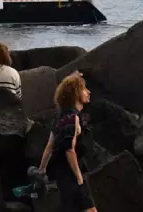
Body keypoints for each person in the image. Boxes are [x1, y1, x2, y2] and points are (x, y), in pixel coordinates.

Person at [38, 72, 97, 212]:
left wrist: (42, 169)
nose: (88, 92)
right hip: (70, 174)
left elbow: (49, 146)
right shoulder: (72, 118)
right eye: (84, 89)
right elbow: (69, 150)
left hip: (63, 174)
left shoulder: (60, 116)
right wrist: (79, 178)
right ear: (76, 94)